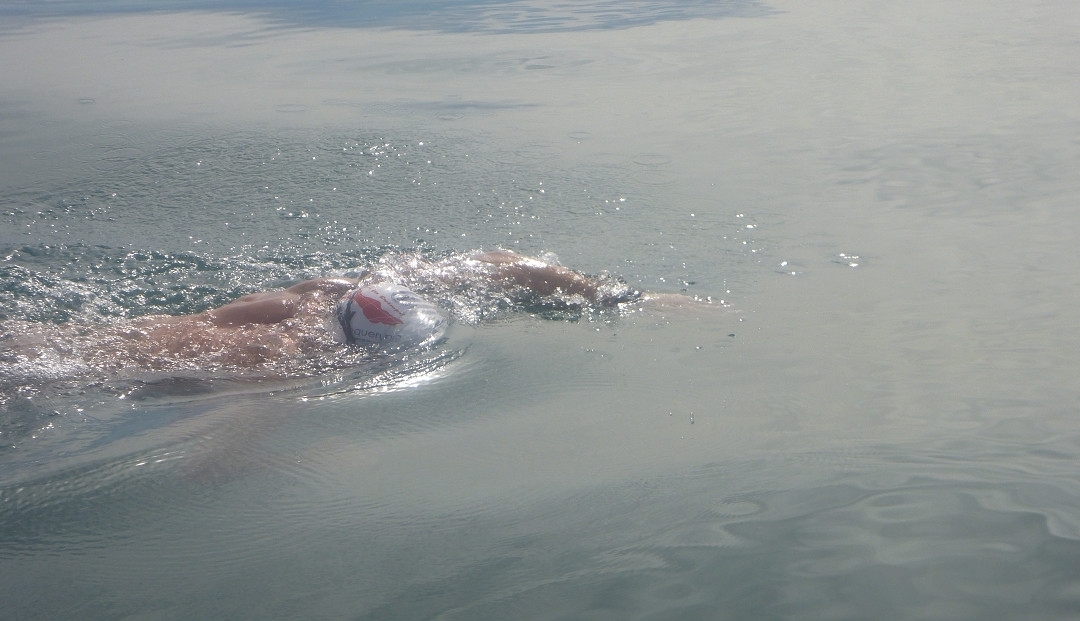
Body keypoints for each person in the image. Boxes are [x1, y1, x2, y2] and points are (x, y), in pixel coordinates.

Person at [6, 251, 672, 374]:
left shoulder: (328, 290)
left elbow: (507, 265)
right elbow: (250, 408)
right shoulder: (293, 348)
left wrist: (617, 298)